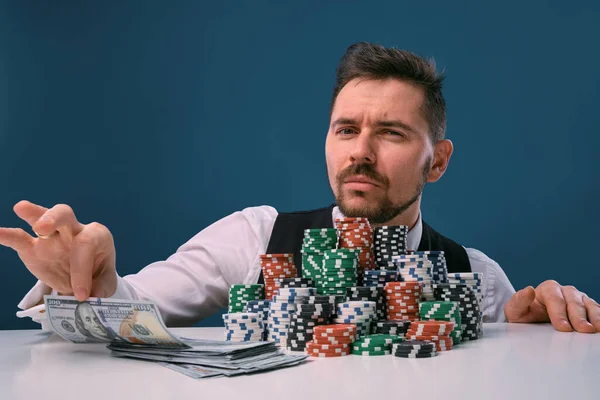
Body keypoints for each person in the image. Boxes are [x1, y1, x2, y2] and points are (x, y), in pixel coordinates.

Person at [3, 42, 599, 333]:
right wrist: (90, 283)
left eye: (390, 133)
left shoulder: (478, 278)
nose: (360, 152)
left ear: (437, 162)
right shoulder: (257, 237)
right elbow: (130, 310)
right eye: (346, 129)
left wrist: (535, 332)